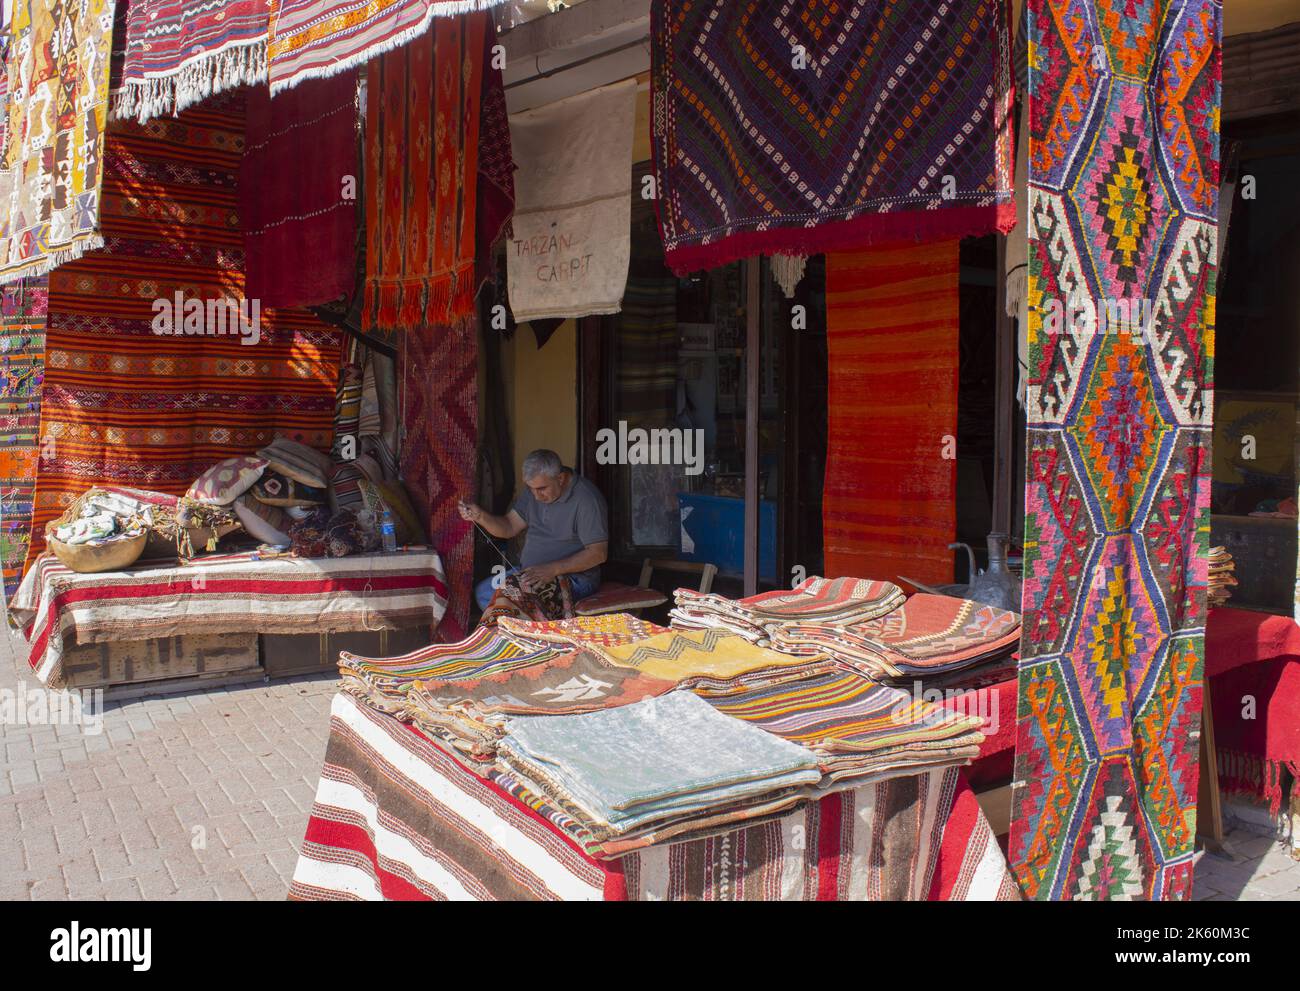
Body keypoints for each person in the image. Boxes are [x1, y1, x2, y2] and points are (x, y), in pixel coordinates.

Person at [459, 449, 608, 611]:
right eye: (531, 489)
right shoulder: (534, 492)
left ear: (560, 478)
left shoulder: (586, 499)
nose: (536, 496)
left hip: (575, 578)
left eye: (542, 489)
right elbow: (509, 526)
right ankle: (518, 633)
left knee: (512, 598)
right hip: (531, 572)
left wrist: (553, 569)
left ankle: (529, 634)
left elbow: (598, 553)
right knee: (485, 592)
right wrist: (480, 516)